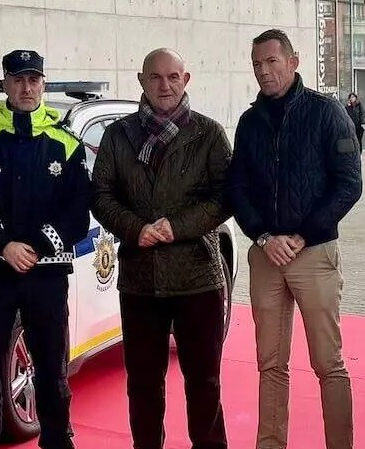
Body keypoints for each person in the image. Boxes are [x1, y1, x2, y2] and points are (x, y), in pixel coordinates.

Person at [90, 48, 232, 449]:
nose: (164, 85)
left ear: (186, 80)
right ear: (141, 81)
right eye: (155, 77)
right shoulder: (118, 135)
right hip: (139, 280)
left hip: (198, 278)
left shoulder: (209, 134)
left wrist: (177, 227)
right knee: (143, 385)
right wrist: (136, 229)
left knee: (205, 383)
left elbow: (226, 198)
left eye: (173, 77)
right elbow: (101, 195)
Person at [227, 29, 361, 449]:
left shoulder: (327, 113)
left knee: (329, 364)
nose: (264, 71)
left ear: (294, 61)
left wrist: (302, 236)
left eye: (271, 62)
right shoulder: (249, 122)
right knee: (270, 364)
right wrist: (264, 236)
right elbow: (237, 189)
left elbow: (349, 183)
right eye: (257, 65)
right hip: (266, 256)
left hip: (314, 254)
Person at [0, 49, 91, 449]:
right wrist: (4, 245)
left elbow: (77, 214)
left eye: (33, 80)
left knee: (51, 371)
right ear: (5, 84)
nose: (26, 88)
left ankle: (57, 441)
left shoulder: (66, 145)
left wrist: (32, 246)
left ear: (44, 84)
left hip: (46, 278)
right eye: (18, 80)